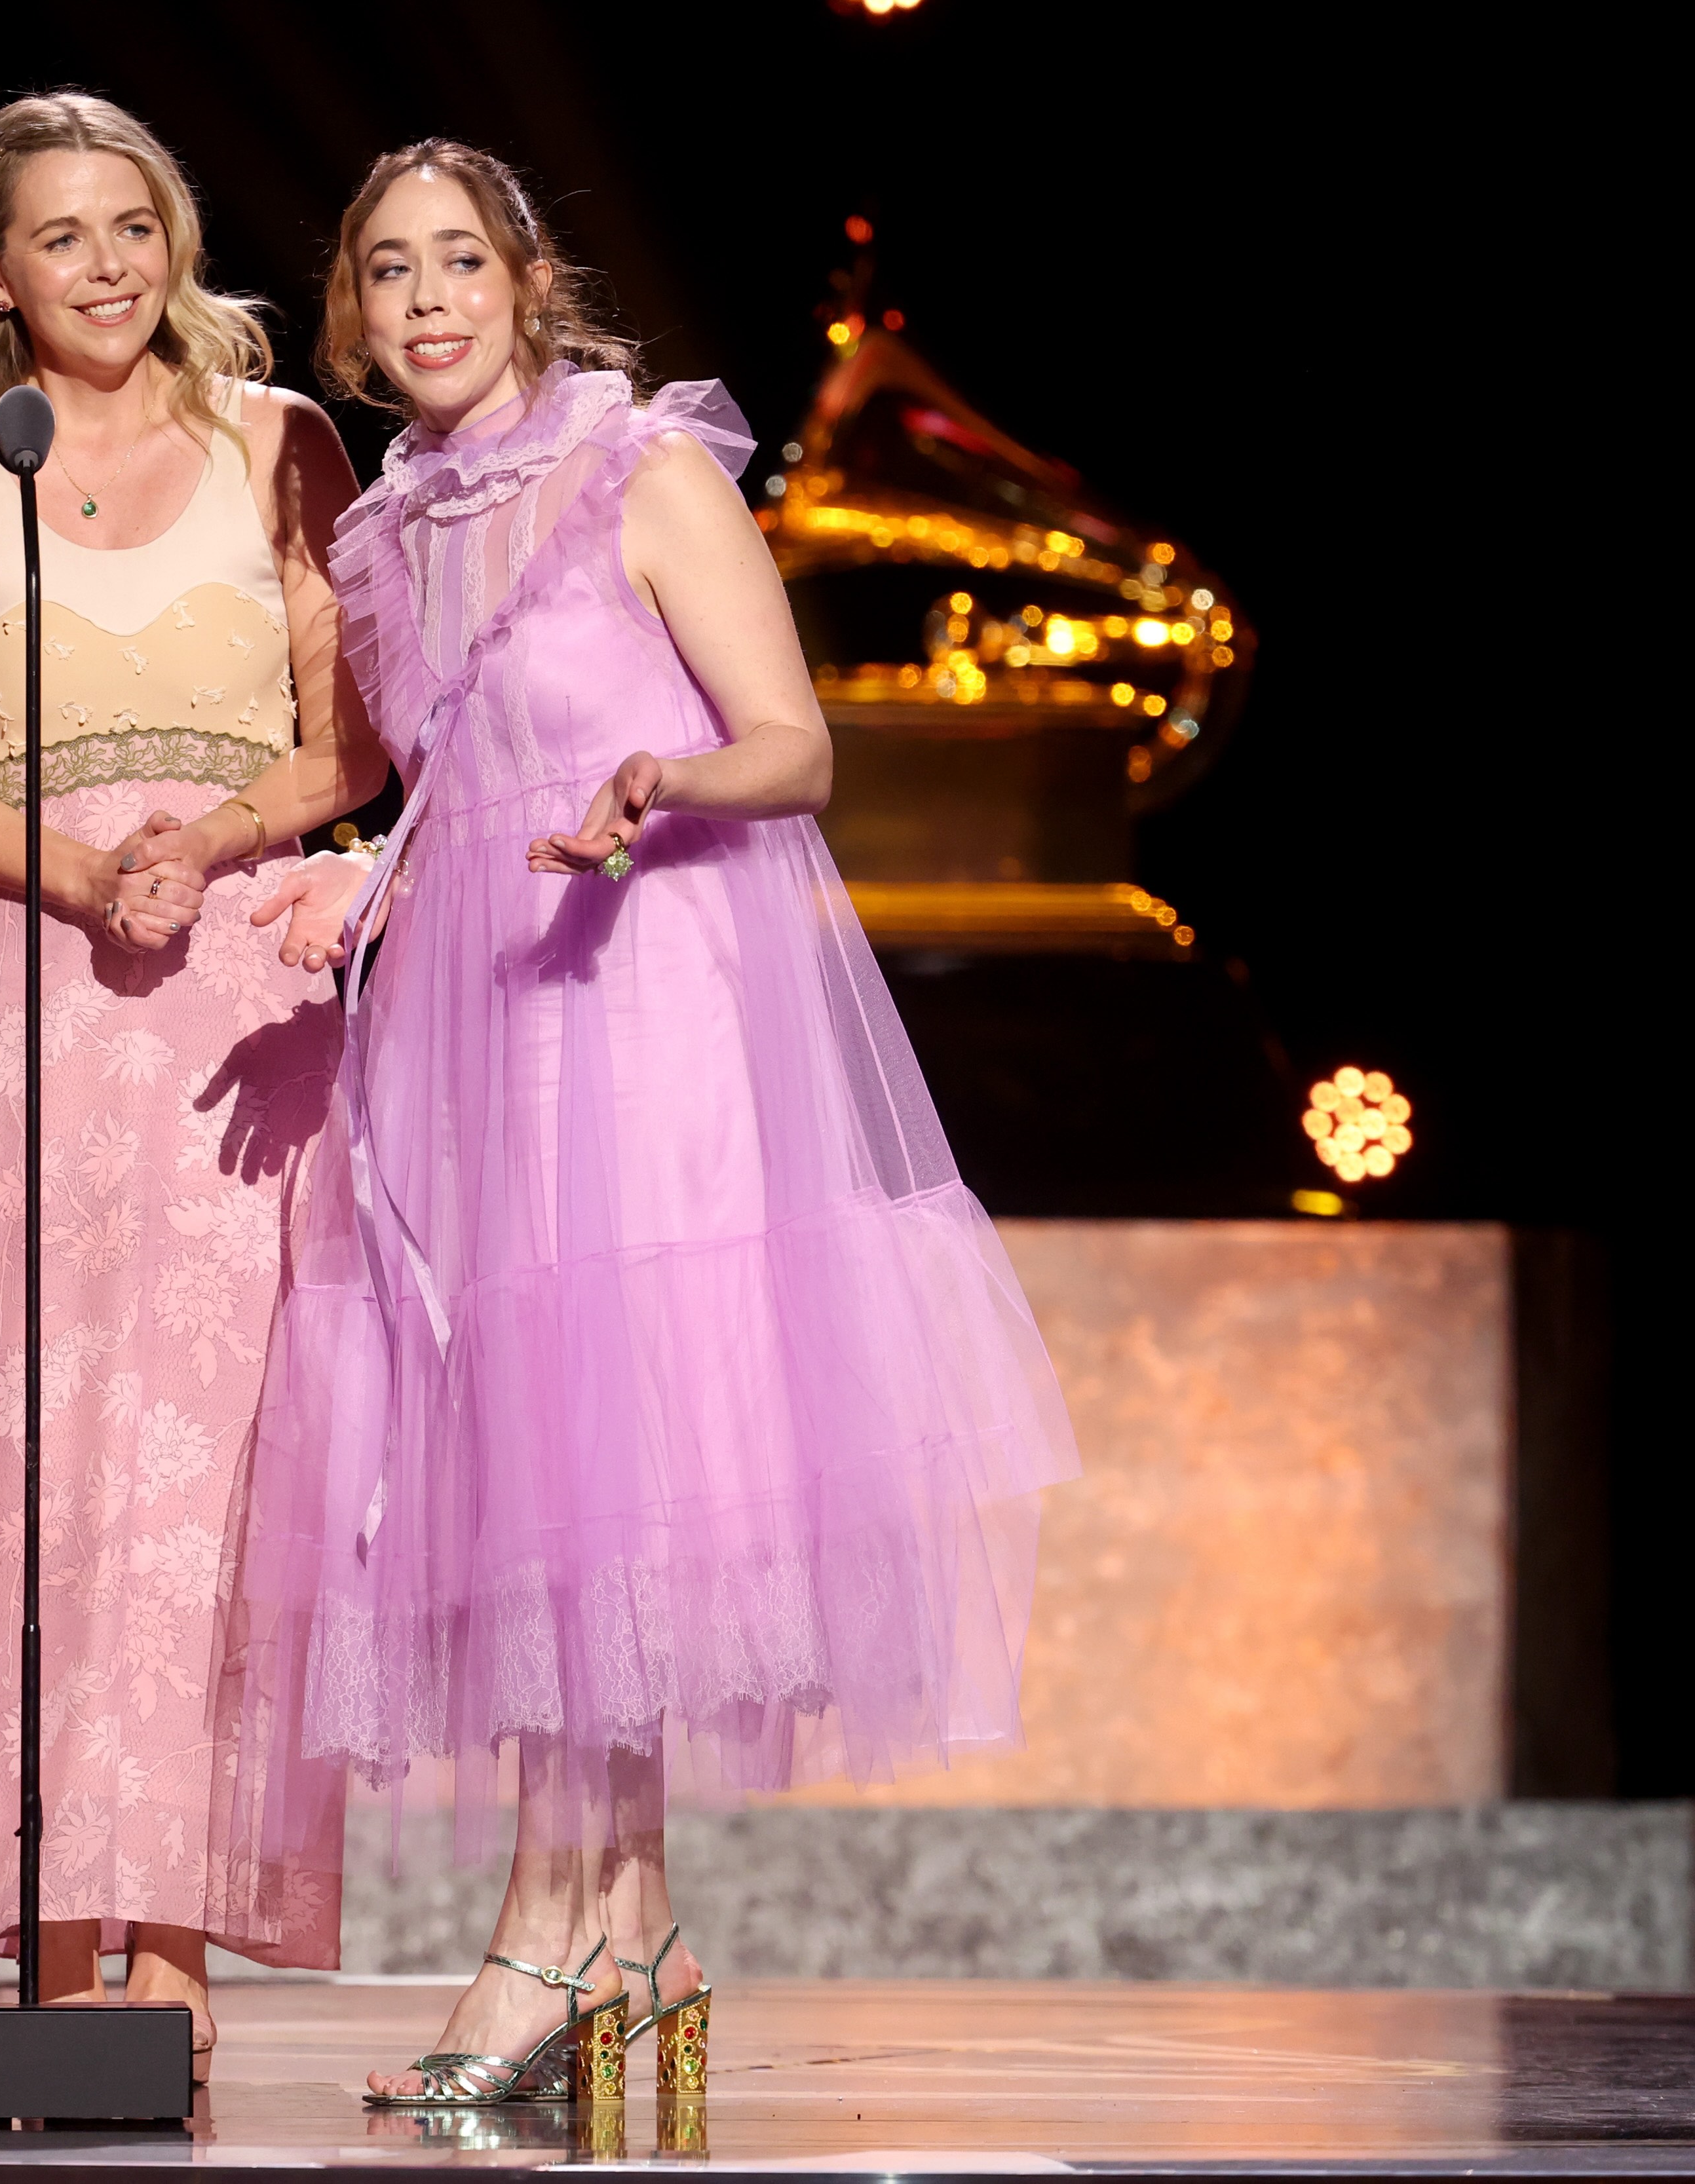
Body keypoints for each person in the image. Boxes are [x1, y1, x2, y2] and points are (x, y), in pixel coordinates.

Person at [236, 141, 1080, 2107]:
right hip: (475, 1028)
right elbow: (439, 776)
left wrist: (660, 778)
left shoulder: (648, 473)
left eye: (463, 259)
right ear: (355, 314)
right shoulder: (385, 535)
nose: (430, 296)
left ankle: (544, 1934)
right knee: (546, 1480)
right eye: (390, 269)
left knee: (609, 1468)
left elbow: (800, 748)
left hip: (649, 1013)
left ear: (531, 285)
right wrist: (350, 875)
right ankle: (637, 1931)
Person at [0, 94, 389, 2071]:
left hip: (230, 993)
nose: (112, 264)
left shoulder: (280, 440)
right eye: (64, 235)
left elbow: (346, 747)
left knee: (206, 1465)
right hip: (22, 981)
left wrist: (202, 851)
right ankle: (43, 1946)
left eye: (137, 223)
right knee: (24, 1454)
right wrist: (74, 866)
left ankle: (180, 1949)